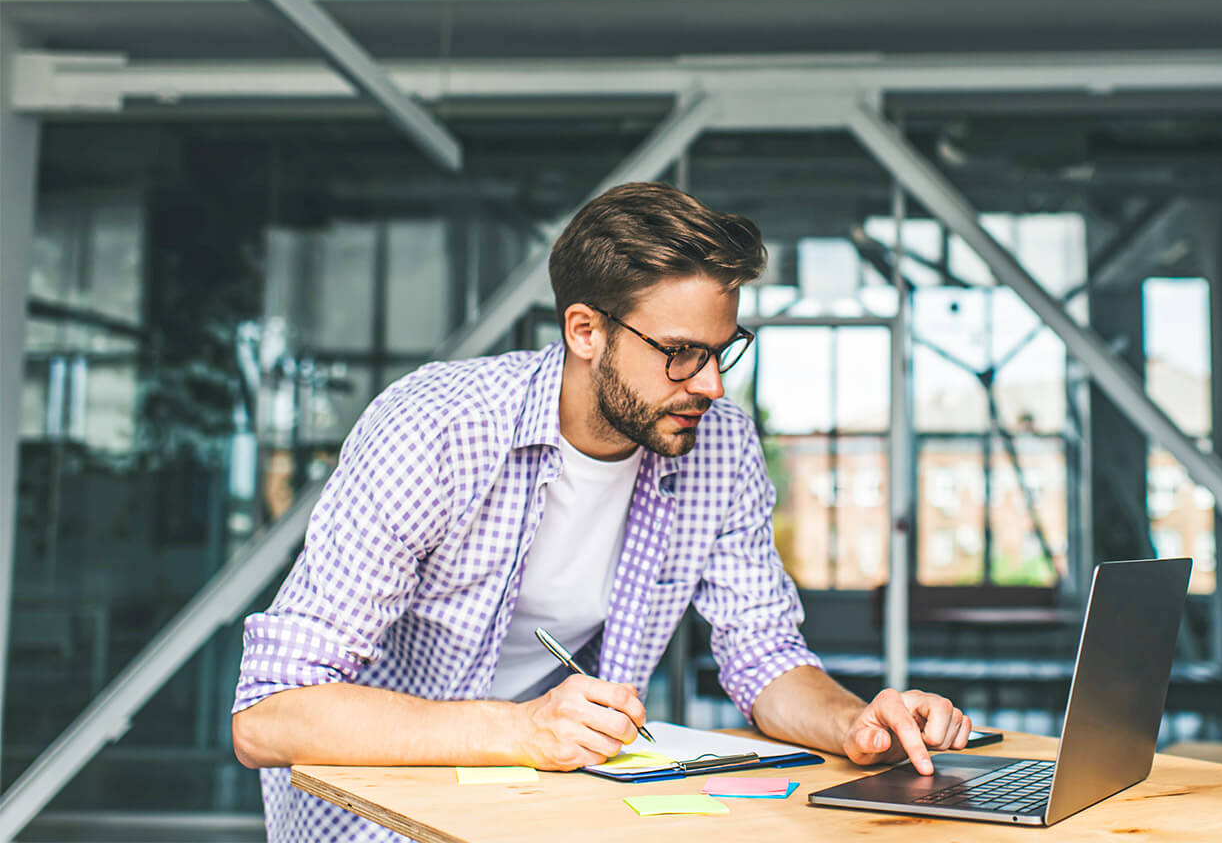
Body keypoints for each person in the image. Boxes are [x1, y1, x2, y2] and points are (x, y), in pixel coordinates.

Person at [231, 181, 971, 842]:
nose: (711, 385)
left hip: (556, 803)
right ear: (586, 331)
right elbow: (269, 715)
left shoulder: (720, 446)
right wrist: (522, 729)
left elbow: (764, 654)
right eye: (680, 352)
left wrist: (855, 724)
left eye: (723, 350)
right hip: (381, 816)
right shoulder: (437, 428)